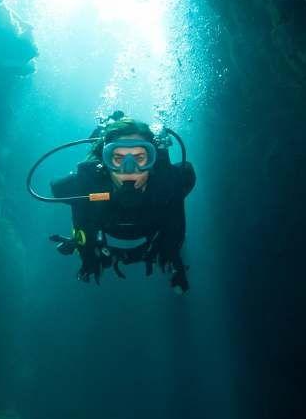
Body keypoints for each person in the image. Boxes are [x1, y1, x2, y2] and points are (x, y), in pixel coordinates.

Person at [49, 115, 196, 293]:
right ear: (105, 160)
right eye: (118, 158)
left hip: (152, 240)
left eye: (139, 158)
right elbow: (61, 190)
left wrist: (173, 256)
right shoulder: (84, 187)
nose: (129, 169)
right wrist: (86, 253)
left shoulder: (172, 181)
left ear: (153, 160)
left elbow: (176, 221)